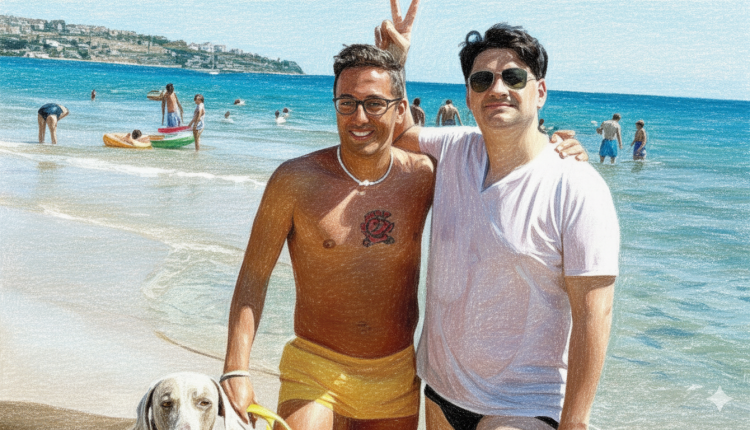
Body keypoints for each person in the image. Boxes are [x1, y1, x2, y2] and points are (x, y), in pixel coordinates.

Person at [377, 4, 618, 430]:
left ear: (540, 92)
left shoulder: (577, 184)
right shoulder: (455, 149)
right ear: (470, 97)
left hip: (523, 404)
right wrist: (395, 63)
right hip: (441, 390)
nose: (498, 88)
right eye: (482, 80)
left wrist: (575, 422)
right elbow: (395, 134)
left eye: (514, 77)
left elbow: (593, 315)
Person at [220, 44, 437, 430]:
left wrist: (550, 151)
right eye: (347, 103)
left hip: (396, 374)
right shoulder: (295, 180)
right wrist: (236, 369)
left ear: (400, 108)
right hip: (314, 367)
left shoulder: (422, 176)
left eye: (374, 104)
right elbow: (254, 275)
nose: (359, 117)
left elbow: (493, 172)